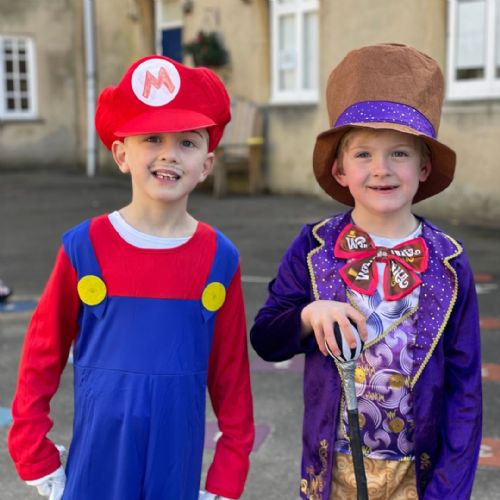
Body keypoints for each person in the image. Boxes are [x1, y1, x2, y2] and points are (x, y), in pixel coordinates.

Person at [8, 55, 255, 500]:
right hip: (98, 463)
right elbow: (41, 354)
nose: (169, 153)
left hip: (175, 464)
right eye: (152, 138)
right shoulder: (84, 247)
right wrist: (32, 450)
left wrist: (228, 471)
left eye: (187, 142)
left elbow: (231, 374)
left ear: (206, 164)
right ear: (122, 154)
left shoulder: (219, 258)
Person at [250, 43, 482, 499]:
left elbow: (465, 392)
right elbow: (266, 338)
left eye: (399, 153)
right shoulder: (313, 247)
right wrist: (308, 314)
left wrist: (448, 491)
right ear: (339, 170)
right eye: (363, 155)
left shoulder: (450, 263)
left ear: (424, 166)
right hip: (333, 471)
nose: (381, 169)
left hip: (419, 477)